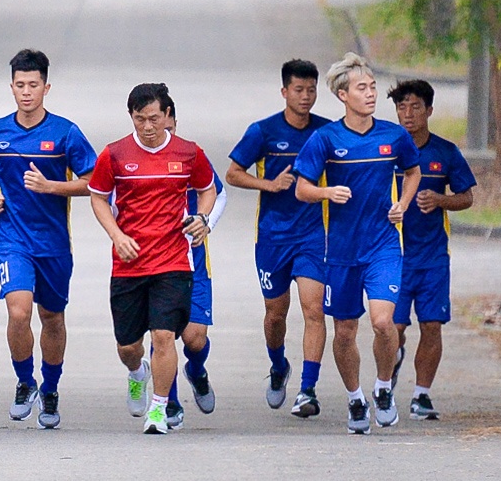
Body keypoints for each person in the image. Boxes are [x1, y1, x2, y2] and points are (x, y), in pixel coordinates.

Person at [293, 53, 422, 433]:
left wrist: (403, 203)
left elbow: (412, 172)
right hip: (341, 253)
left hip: (383, 246)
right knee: (345, 331)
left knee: (385, 323)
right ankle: (355, 398)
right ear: (343, 95)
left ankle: (383, 387)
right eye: (362, 88)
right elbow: (301, 189)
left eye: (372, 87)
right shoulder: (326, 139)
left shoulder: (393, 136)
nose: (370, 94)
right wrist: (327, 192)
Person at [87, 82, 217, 435]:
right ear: (131, 117)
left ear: (167, 116)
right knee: (129, 346)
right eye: (140, 119)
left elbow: (208, 189)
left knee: (164, 336)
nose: (147, 126)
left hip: (173, 261)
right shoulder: (114, 154)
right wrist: (117, 235)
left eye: (154, 118)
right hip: (128, 263)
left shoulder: (189, 153)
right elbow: (97, 197)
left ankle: (159, 410)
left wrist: (202, 219)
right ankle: (136, 373)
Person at [0, 48, 96, 430]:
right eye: (20, 85)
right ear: (11, 86)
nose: (26, 92)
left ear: (46, 87)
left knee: (52, 317)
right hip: (13, 238)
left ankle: (51, 388)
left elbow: (93, 182)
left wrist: (51, 186)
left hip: (54, 242)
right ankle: (25, 380)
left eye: (34, 85)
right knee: (18, 312)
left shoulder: (65, 132)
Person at [224, 59, 332, 416]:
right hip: (273, 237)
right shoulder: (263, 132)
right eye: (298, 90)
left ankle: (308, 389)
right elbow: (233, 173)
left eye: (311, 90)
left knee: (314, 309)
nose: (305, 97)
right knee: (275, 314)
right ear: (284, 92)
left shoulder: (326, 133)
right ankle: (277, 366)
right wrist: (267, 184)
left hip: (314, 235)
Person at [387, 78, 476, 420]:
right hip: (393, 255)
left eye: (414, 107)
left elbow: (467, 196)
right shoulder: (386, 150)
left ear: (429, 111)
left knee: (432, 325)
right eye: (401, 107)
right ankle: (390, 367)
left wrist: (440, 200)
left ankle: (421, 395)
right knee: (393, 329)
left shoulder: (445, 152)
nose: (407, 114)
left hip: (433, 257)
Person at [159, 98, 223, 430]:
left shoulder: (190, 153)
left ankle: (196, 370)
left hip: (193, 261)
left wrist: (205, 221)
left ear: (175, 124)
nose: (161, 135)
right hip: (155, 262)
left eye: (168, 128)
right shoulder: (134, 156)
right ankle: (168, 401)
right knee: (164, 334)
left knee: (194, 337)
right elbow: (110, 198)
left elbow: (218, 192)